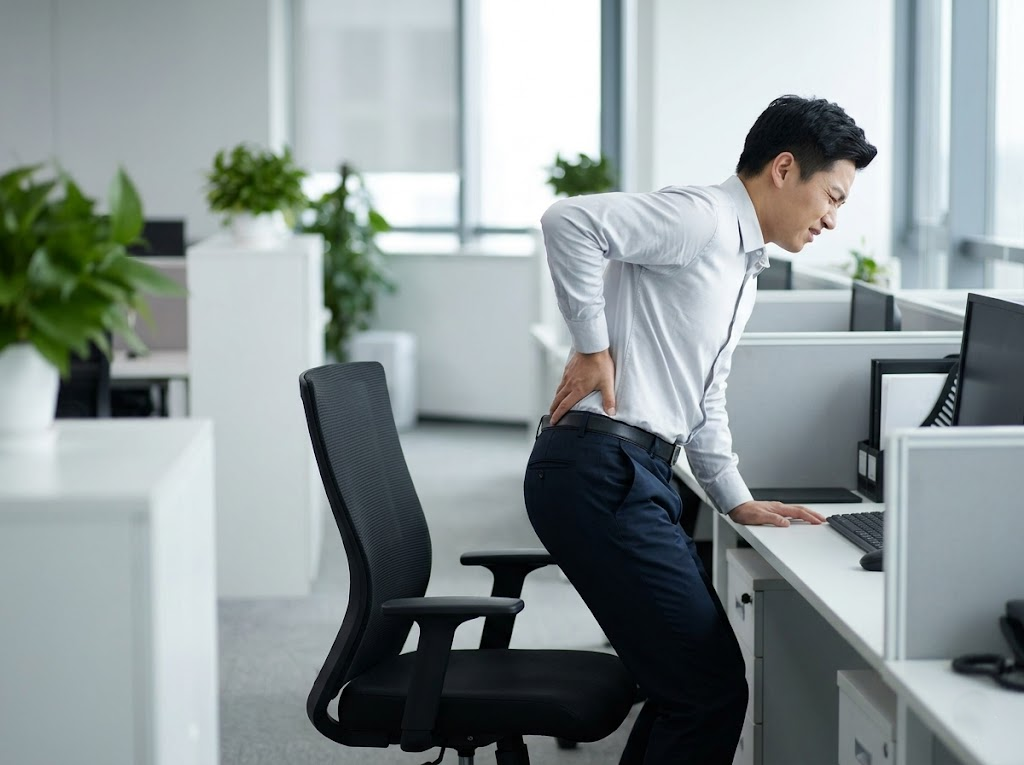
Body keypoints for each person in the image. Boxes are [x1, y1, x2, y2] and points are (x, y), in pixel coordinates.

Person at [524, 95, 878, 764]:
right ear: (783, 169)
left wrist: (734, 496)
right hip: (599, 471)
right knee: (708, 689)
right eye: (831, 196)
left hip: (635, 473)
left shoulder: (743, 264)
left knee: (691, 686)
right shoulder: (702, 219)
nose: (834, 218)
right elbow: (567, 220)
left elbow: (704, 395)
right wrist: (592, 344)